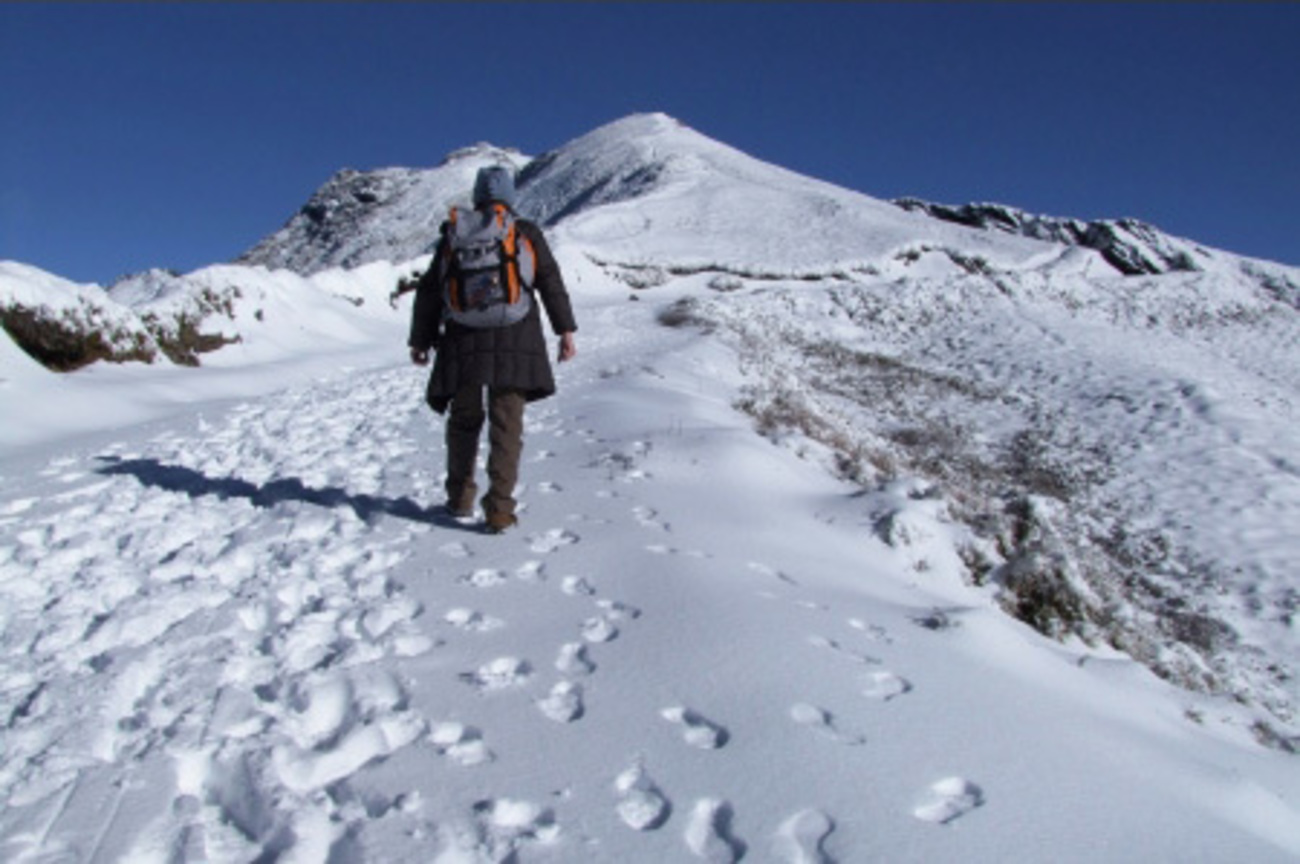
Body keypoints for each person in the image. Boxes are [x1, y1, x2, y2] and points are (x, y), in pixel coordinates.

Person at [409, 165, 577, 533]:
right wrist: (564, 330)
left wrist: (420, 340)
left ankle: (459, 498)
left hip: (462, 340)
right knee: (506, 426)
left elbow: (430, 291)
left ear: (477, 197)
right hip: (516, 337)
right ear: (510, 197)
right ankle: (499, 510)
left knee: (463, 421)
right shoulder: (524, 232)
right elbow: (550, 281)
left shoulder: (455, 234)